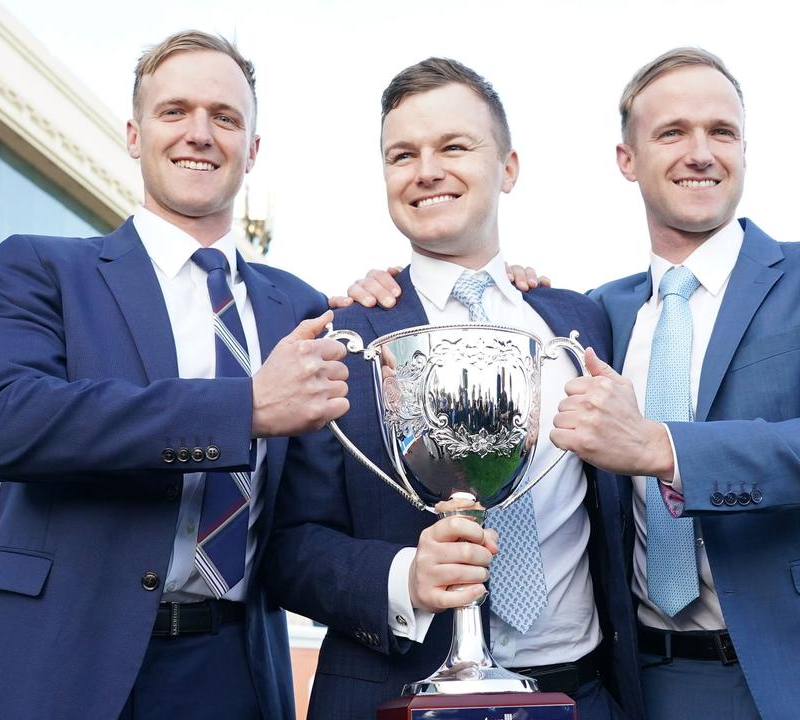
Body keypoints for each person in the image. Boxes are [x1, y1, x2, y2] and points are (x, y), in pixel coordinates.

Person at [345, 47, 800, 720]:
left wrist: (661, 447)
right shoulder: (594, 314)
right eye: (671, 133)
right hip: (655, 683)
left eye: (721, 132)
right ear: (626, 159)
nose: (700, 152)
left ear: (745, 149)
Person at [0, 30, 349, 720]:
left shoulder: (299, 307)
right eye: (174, 111)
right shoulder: (43, 267)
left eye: (225, 117)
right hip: (50, 660)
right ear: (134, 133)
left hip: (229, 675)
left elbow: (304, 525)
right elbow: (5, 424)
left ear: (254, 149)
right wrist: (240, 410)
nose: (200, 133)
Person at [265, 58, 641, 720]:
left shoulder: (581, 324)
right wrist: (401, 578)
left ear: (509, 168)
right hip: (396, 696)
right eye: (402, 154)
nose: (427, 170)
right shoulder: (343, 341)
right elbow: (288, 547)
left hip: (583, 695)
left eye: (454, 147)